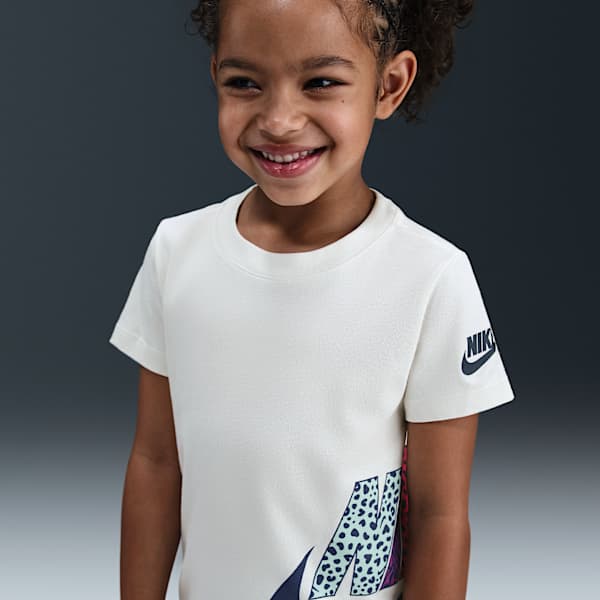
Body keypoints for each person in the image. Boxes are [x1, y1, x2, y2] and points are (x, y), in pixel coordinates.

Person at [108, 1, 515, 599]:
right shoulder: (177, 252)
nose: (279, 120)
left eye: (320, 82)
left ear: (389, 85)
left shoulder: (432, 277)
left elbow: (440, 515)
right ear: (215, 73)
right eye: (245, 83)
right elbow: (155, 464)